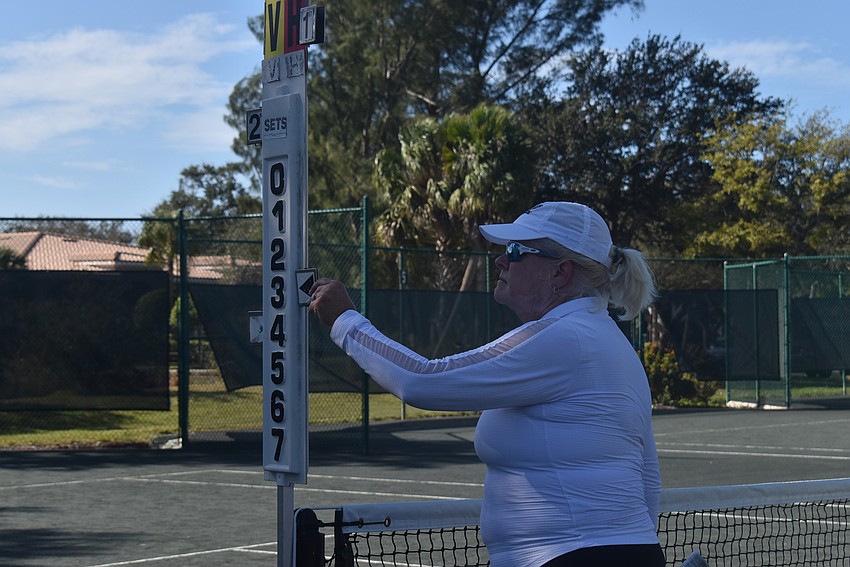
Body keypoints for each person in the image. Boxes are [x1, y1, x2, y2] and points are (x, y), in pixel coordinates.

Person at [309, 201, 664, 567]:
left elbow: (422, 381)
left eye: (515, 251)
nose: (500, 260)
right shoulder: (612, 344)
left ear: (560, 273)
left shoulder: (565, 337)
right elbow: (647, 479)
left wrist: (345, 321)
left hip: (573, 555)